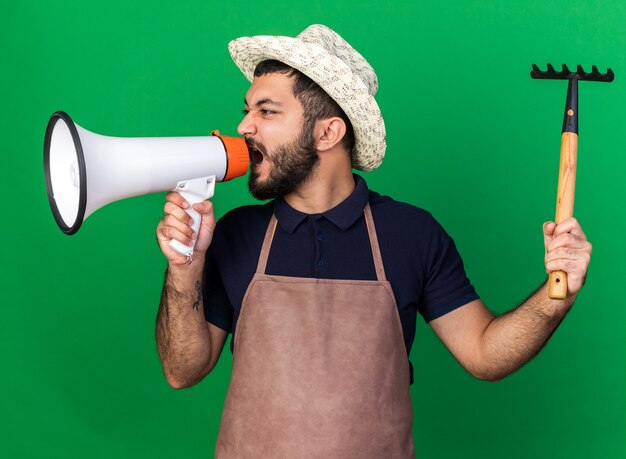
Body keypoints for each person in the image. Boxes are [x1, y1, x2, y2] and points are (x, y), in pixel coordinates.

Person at [155, 24, 592, 457]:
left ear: (328, 133)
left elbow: (485, 354)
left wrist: (556, 298)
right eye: (248, 109)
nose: (243, 126)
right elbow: (182, 371)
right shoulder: (235, 233)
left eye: (266, 112)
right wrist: (184, 267)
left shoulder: (412, 234)